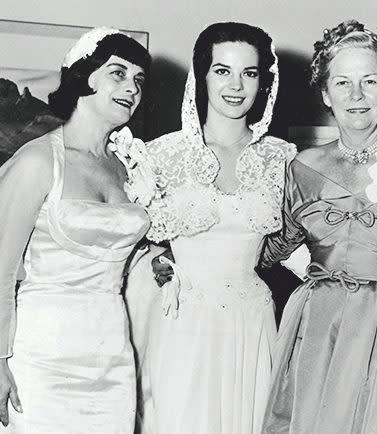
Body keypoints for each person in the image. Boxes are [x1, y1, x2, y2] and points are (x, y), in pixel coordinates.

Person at [258, 20, 377, 434]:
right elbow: (271, 249)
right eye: (342, 83)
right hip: (315, 325)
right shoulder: (302, 167)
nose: (357, 95)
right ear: (326, 93)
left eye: (370, 81)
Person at [123, 22, 296, 434]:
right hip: (183, 324)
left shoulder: (283, 158)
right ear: (201, 76)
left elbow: (298, 244)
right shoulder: (160, 155)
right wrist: (156, 260)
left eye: (249, 73)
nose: (236, 85)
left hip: (252, 325)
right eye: (222, 71)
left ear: (262, 82)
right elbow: (129, 245)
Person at [0, 27, 151, 433]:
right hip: (41, 357)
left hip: (113, 354)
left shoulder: (129, 167)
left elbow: (120, 250)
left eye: (139, 80)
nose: (132, 87)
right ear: (84, 75)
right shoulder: (38, 162)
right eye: (118, 73)